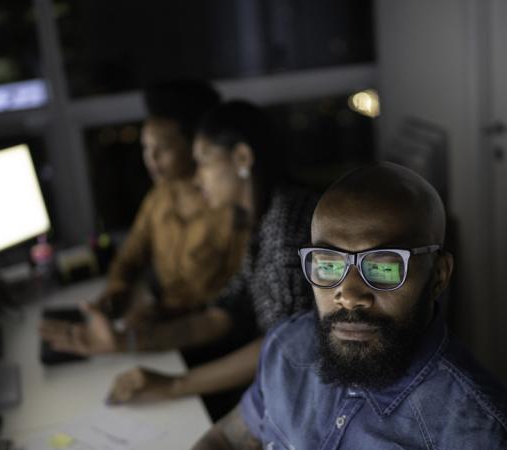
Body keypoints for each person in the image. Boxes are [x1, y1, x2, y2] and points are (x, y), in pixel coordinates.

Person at [142, 162, 507, 450]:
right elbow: (233, 446)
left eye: (383, 266)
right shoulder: (287, 350)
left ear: (437, 276)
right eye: (328, 264)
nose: (348, 294)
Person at [41, 100, 320, 418]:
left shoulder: (288, 225)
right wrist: (124, 340)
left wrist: (174, 385)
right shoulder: (258, 221)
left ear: (242, 158)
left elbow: (282, 351)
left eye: (203, 162)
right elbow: (223, 315)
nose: (198, 179)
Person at [40, 80, 248, 347]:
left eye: (163, 149)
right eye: (145, 148)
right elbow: (129, 258)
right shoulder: (159, 197)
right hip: (155, 327)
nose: (151, 159)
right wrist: (117, 292)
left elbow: (231, 307)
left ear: (194, 146)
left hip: (200, 339)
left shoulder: (231, 210)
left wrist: (152, 316)